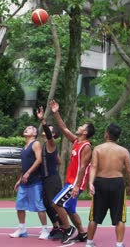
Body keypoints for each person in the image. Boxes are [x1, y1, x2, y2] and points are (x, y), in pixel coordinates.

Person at [49, 99, 95, 244]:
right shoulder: (76, 141)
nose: (79, 126)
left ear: (85, 132)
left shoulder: (86, 146)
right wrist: (56, 113)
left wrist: (76, 186)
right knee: (69, 209)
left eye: (82, 126)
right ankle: (82, 233)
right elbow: (64, 129)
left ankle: (68, 230)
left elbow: (82, 167)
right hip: (71, 182)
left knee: (56, 203)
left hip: (74, 184)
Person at [86, 123, 130, 247]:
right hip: (117, 183)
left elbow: (94, 166)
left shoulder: (98, 148)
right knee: (119, 217)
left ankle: (89, 242)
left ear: (106, 134)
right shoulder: (123, 151)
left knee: (94, 216)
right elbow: (129, 171)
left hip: (100, 182)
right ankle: (119, 244)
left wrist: (91, 183)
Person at [9, 125, 49, 240]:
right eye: (26, 128)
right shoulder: (24, 147)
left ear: (34, 133)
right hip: (24, 182)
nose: (27, 129)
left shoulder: (35, 144)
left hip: (35, 181)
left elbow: (39, 159)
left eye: (30, 128)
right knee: (19, 206)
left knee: (39, 206)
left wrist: (28, 173)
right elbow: (25, 166)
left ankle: (45, 230)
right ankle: (22, 229)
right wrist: (20, 179)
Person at [36, 106, 64, 239]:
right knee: (47, 204)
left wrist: (43, 120)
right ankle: (56, 226)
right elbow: (58, 161)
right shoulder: (46, 146)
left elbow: (47, 133)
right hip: (46, 178)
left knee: (54, 204)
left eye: (50, 131)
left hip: (52, 179)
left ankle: (65, 228)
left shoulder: (51, 142)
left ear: (53, 135)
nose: (47, 132)